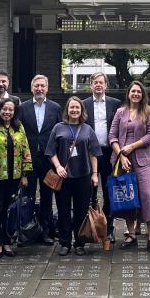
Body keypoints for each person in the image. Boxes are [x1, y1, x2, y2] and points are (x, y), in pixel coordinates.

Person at [46, 96, 102, 256]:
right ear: (67, 110)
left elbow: (94, 153)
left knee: (81, 210)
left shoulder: (87, 129)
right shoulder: (58, 127)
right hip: (63, 177)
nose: (74, 110)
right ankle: (64, 243)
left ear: (82, 110)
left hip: (83, 176)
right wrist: (57, 167)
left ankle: (79, 243)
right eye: (72, 107)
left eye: (77, 108)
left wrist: (95, 174)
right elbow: (51, 151)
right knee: (63, 210)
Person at [0, 98, 33, 259]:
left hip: (14, 176)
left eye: (10, 109)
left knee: (8, 211)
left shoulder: (19, 127)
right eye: (4, 109)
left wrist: (25, 174)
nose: (7, 112)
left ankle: (6, 242)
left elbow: (26, 150)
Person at [110, 81, 150, 253]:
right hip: (123, 161)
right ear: (128, 94)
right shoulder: (120, 112)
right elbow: (112, 136)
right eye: (133, 91)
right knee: (128, 197)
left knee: (146, 195)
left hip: (143, 160)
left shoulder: (149, 111)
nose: (136, 94)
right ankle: (131, 234)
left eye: (139, 91)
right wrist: (122, 155)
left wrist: (132, 147)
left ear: (142, 94)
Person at [19, 75, 62, 245]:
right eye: (36, 86)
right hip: (27, 160)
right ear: (31, 88)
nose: (39, 89)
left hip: (48, 160)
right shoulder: (22, 108)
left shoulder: (55, 107)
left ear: (47, 88)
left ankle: (45, 231)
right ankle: (26, 231)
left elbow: (59, 132)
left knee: (46, 196)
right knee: (26, 197)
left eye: (42, 86)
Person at [83, 72, 121, 245]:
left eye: (101, 82)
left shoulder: (115, 104)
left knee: (109, 192)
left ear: (106, 85)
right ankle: (89, 228)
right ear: (91, 85)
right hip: (89, 153)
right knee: (89, 192)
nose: (98, 85)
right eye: (95, 82)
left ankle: (109, 229)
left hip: (108, 153)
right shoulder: (83, 104)